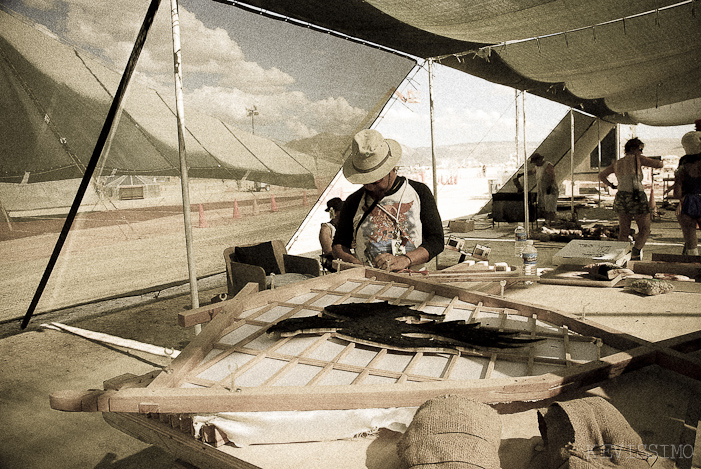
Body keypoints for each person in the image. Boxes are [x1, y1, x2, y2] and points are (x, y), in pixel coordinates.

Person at [332, 129, 444, 271]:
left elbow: (436, 240)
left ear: (390, 168)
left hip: (414, 278)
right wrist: (358, 266)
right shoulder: (353, 201)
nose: (369, 187)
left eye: (375, 180)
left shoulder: (419, 192)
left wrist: (405, 260)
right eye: (364, 180)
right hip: (369, 281)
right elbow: (338, 245)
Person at [598, 137, 664, 260]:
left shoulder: (617, 163)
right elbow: (659, 164)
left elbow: (601, 175)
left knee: (624, 231)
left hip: (621, 196)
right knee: (645, 229)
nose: (641, 152)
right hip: (636, 196)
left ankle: (619, 257)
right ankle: (636, 251)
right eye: (640, 149)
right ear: (633, 149)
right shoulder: (638, 158)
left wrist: (612, 185)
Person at [673, 130, 701, 255]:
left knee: (690, 240)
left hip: (688, 202)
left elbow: (677, 193)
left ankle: (692, 263)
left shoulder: (683, 164)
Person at [515, 153, 559, 225]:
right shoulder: (537, 167)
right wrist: (523, 174)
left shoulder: (547, 165)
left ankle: (552, 222)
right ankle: (547, 222)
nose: (535, 164)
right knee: (544, 206)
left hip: (550, 190)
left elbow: (552, 177)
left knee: (550, 208)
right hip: (542, 190)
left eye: (535, 162)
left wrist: (550, 186)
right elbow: (532, 172)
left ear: (539, 160)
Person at [319, 197, 343, 271]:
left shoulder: (347, 225)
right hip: (336, 264)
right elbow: (329, 251)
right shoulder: (326, 228)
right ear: (334, 213)